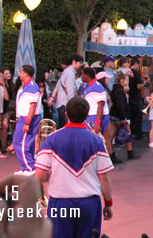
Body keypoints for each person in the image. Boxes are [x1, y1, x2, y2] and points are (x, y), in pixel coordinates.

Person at [35, 96, 114, 238]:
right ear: (86, 115)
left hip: (60, 203)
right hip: (89, 203)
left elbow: (40, 176)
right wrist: (108, 203)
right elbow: (104, 178)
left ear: (66, 114)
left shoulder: (51, 139)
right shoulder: (96, 141)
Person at [13, 65, 42, 174]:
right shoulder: (27, 86)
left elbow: (32, 106)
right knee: (27, 143)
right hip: (27, 118)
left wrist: (27, 123)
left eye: (21, 72)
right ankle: (26, 167)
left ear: (26, 74)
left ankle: (29, 168)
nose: (19, 74)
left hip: (27, 118)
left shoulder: (31, 87)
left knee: (19, 142)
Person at [106, 72, 140, 164]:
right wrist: (123, 118)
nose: (128, 82)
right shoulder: (120, 91)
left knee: (111, 136)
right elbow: (120, 105)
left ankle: (115, 154)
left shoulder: (116, 90)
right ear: (122, 81)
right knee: (121, 134)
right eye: (126, 80)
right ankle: (125, 153)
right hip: (119, 116)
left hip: (116, 115)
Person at [49, 54, 83, 129]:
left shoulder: (66, 71)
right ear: (74, 62)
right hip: (65, 104)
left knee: (62, 126)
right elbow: (70, 91)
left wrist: (53, 96)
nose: (80, 65)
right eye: (80, 63)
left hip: (61, 103)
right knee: (66, 126)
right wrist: (72, 106)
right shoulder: (70, 73)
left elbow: (58, 85)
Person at [82, 68, 110, 138]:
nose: (81, 76)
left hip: (95, 117)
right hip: (91, 116)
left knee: (94, 139)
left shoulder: (97, 87)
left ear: (87, 75)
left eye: (82, 74)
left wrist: (97, 122)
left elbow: (100, 105)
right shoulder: (89, 86)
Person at [128, 58, 144, 140]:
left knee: (131, 116)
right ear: (136, 64)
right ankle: (139, 134)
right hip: (136, 98)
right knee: (138, 116)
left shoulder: (127, 72)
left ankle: (131, 132)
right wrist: (144, 82)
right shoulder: (136, 73)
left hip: (129, 97)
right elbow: (138, 86)